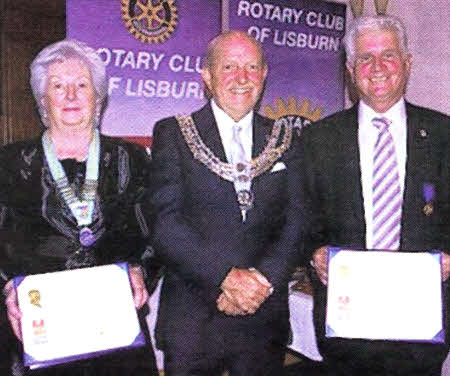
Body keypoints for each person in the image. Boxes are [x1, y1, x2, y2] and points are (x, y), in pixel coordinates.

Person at [150, 30, 306, 376]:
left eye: (252, 67)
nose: (241, 78)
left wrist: (262, 281)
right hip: (193, 322)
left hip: (263, 319)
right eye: (229, 67)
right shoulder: (174, 134)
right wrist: (226, 278)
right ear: (206, 76)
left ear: (264, 75)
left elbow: (298, 221)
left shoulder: (286, 138)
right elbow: (166, 225)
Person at [301, 15, 449, 376]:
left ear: (407, 63)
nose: (377, 67)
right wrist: (313, 252)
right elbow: (299, 217)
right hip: (346, 327)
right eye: (365, 58)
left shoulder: (445, 134)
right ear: (351, 70)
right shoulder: (318, 139)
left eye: (389, 55)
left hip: (421, 327)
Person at [0, 39, 158, 376]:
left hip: (116, 331)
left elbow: (157, 233)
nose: (70, 96)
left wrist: (140, 270)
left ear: (98, 98)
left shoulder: (130, 159)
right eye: (58, 86)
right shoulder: (10, 163)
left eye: (81, 85)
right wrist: (6, 288)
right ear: (44, 99)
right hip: (38, 332)